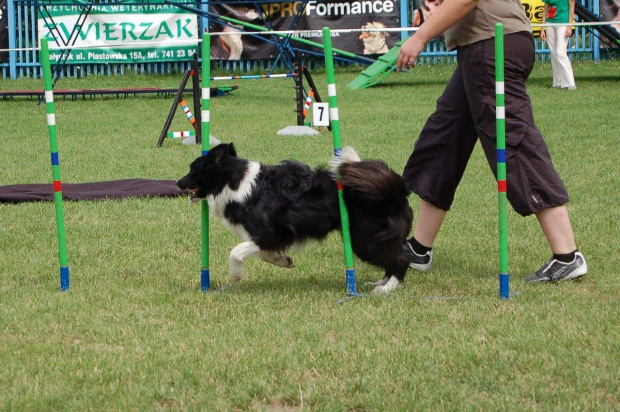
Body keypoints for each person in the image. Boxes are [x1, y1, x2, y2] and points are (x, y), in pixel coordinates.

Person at [395, 0, 587, 284]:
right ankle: (419, 249)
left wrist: (420, 36)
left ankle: (567, 256)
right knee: (444, 138)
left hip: (493, 45)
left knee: (514, 143)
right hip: (480, 46)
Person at [540, 0, 577, 89]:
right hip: (550, 23)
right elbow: (545, 10)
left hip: (563, 23)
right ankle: (557, 82)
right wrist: (542, 29)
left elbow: (572, 9)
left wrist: (569, 27)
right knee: (553, 53)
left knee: (560, 52)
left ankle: (570, 83)